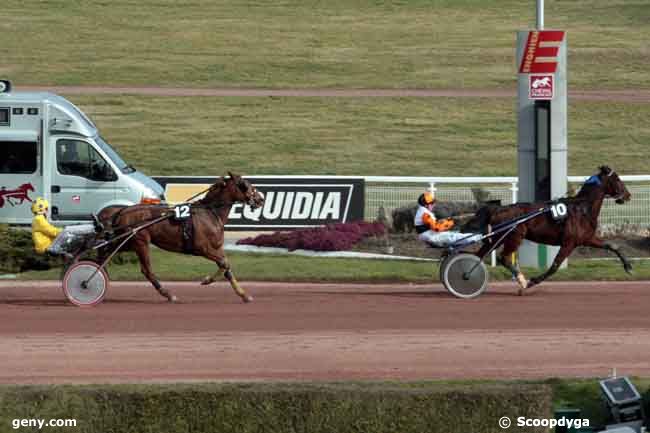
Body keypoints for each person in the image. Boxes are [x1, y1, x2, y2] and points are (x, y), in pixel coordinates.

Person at [31, 197, 100, 258]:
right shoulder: (39, 219)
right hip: (49, 248)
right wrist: (63, 230)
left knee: (71, 232)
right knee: (67, 230)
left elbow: (50, 231)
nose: (47, 211)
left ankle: (92, 230)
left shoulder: (38, 219)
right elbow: (53, 232)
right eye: (46, 209)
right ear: (42, 209)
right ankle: (94, 228)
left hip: (50, 247)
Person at [414, 191, 481, 247]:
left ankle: (478, 236)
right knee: (457, 237)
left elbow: (433, 225)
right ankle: (479, 237)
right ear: (426, 205)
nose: (434, 205)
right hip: (432, 237)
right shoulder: (425, 214)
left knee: (457, 233)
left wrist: (445, 221)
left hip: (431, 236)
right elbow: (437, 228)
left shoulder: (422, 211)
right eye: (432, 203)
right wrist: (450, 222)